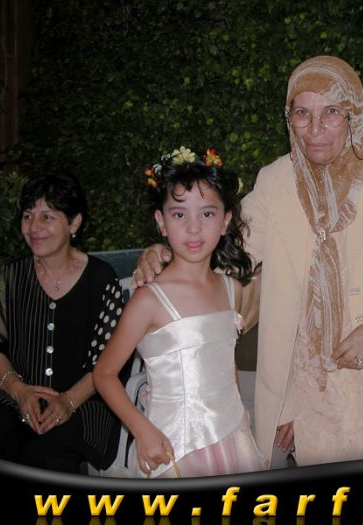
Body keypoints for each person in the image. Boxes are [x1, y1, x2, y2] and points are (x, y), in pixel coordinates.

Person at [134, 55, 363, 466]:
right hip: (316, 394)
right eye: (302, 113)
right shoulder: (276, 181)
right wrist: (169, 253)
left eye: (331, 112)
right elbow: (230, 252)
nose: (315, 128)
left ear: (354, 115)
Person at [93, 147, 265, 477]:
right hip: (174, 447)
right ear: (161, 222)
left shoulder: (232, 289)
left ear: (226, 220)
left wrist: (242, 417)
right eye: (179, 215)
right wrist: (141, 429)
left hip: (232, 437)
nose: (194, 228)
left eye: (207, 214)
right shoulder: (148, 300)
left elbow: (225, 363)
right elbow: (104, 374)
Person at [0, 173, 123, 473]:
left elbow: (111, 359)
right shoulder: (11, 277)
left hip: (84, 404)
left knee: (48, 455)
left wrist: (67, 402)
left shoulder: (101, 279)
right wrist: (19, 391)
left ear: (74, 223)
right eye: (28, 216)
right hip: (14, 398)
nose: (34, 227)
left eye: (47, 216)